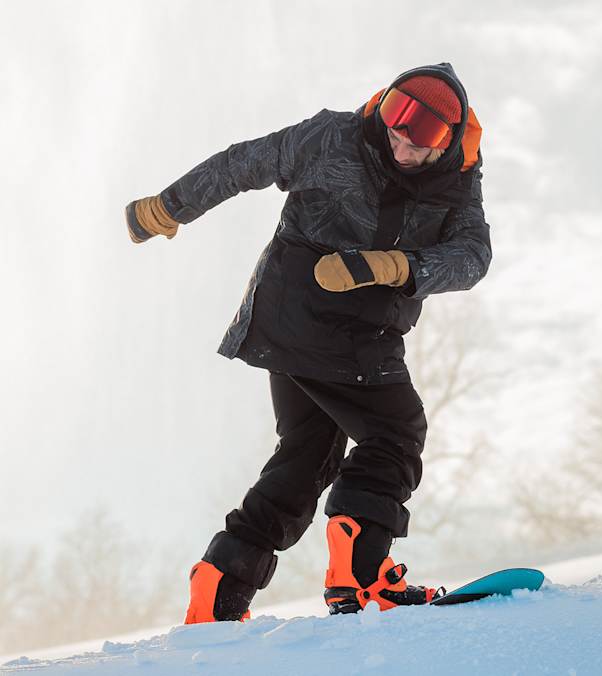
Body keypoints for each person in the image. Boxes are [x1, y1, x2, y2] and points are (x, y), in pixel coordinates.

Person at [125, 63, 489, 622]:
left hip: (319, 325)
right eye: (394, 123)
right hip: (307, 308)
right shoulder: (335, 136)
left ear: (448, 141)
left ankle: (219, 589)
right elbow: (245, 161)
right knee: (395, 430)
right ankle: (363, 578)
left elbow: (472, 257)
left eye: (418, 139)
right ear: (383, 105)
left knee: (308, 455)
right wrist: (170, 206)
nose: (399, 143)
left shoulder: (458, 181)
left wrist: (396, 267)